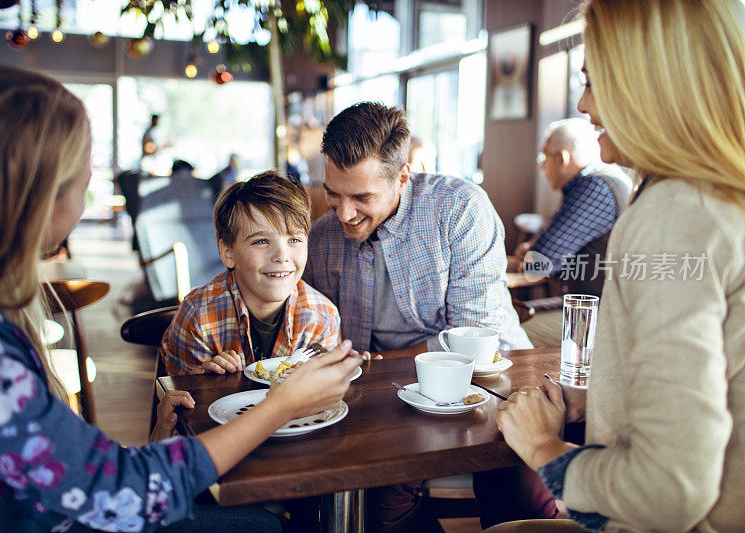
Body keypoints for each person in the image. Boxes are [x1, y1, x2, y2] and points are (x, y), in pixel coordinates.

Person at [0, 66, 361, 532]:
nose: (88, 188)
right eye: (82, 175)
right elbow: (120, 492)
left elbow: (75, 465)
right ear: (34, 196)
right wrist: (281, 405)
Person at [488, 1, 745, 531]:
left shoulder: (676, 213)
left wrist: (542, 447)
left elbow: (669, 489)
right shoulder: (714, 200)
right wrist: (604, 397)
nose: (584, 104)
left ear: (653, 86)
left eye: (594, 81)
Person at [303, 101, 532, 532]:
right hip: (383, 397)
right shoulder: (321, 236)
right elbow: (312, 336)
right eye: (333, 194)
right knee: (375, 492)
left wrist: (376, 363)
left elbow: (473, 341)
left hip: (489, 383)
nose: (344, 214)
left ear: (403, 177)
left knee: (519, 478)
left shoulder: (459, 210)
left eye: (362, 197)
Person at [159, 171, 345, 375]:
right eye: (261, 241)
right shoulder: (198, 317)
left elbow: (321, 397)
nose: (282, 256)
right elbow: (181, 398)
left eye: (294, 240)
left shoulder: (322, 317)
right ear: (228, 253)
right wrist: (206, 381)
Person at [514, 118, 631, 296]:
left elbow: (538, 264)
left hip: (596, 314)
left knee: (515, 318)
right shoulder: (603, 179)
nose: (543, 167)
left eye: (544, 157)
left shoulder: (593, 188)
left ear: (562, 158)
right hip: (594, 307)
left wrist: (529, 253)